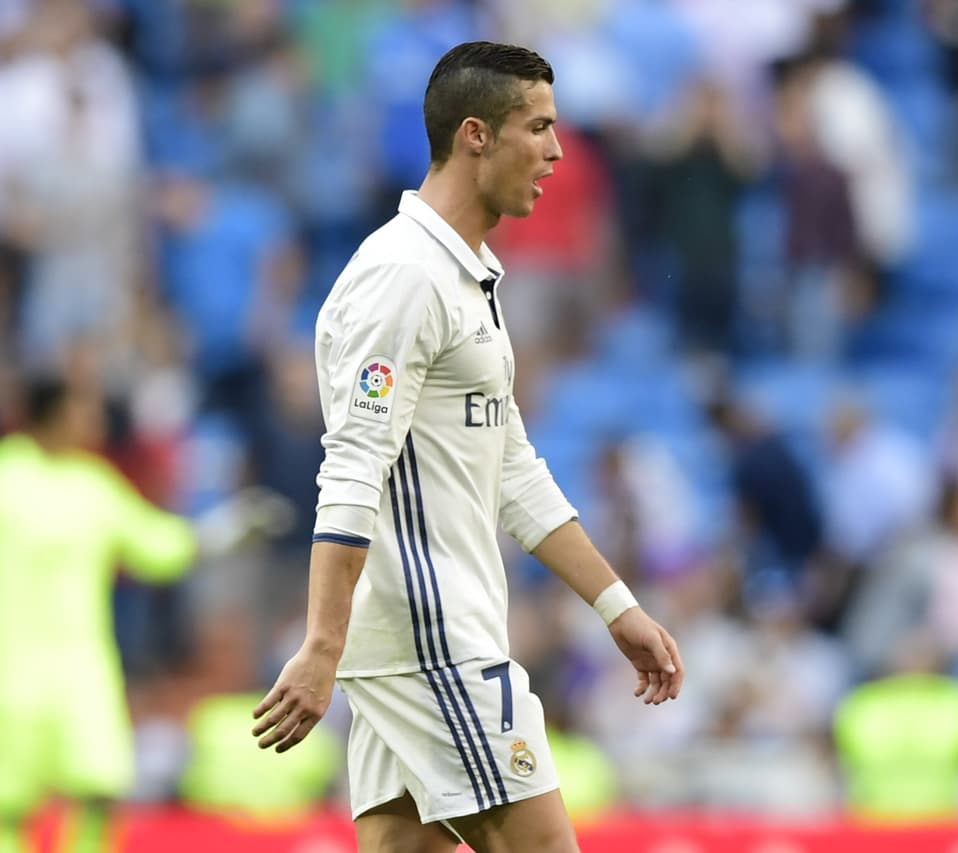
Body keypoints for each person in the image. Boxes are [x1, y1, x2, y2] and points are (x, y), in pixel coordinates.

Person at [251, 42, 685, 853]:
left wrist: (615, 606)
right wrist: (320, 643)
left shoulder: (463, 278)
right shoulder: (403, 277)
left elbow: (512, 469)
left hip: (420, 643)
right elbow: (353, 466)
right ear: (476, 135)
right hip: (433, 643)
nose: (557, 153)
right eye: (539, 128)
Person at [0, 377, 198, 853]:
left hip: (81, 665)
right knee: (9, 801)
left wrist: (213, 536)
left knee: (100, 785)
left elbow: (157, 548)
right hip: (11, 668)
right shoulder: (7, 476)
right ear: (53, 414)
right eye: (83, 409)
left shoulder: (95, 485)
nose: (95, 421)